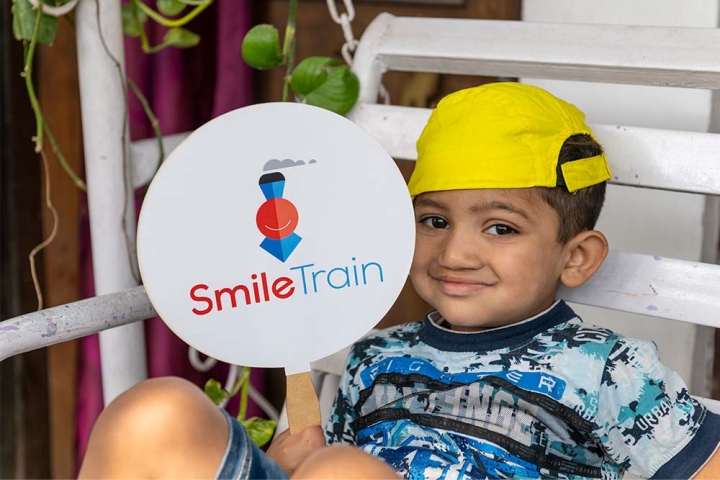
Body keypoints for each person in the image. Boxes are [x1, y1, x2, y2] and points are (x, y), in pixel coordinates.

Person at [78, 83, 720, 479]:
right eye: (434, 219)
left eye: (500, 228)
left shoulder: (608, 369)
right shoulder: (375, 356)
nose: (456, 252)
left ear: (575, 257)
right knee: (153, 412)